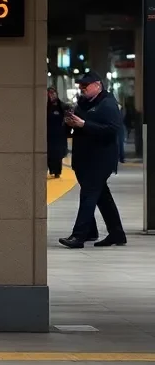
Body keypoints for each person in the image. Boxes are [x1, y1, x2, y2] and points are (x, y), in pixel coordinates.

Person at [59, 71, 127, 249]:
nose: (82, 89)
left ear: (98, 85)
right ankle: (116, 233)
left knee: (88, 195)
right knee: (102, 197)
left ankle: (79, 236)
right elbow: (79, 126)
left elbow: (112, 129)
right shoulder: (83, 103)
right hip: (84, 157)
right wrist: (70, 123)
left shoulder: (108, 104)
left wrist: (84, 124)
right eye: (80, 86)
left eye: (85, 86)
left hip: (100, 159)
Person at [46, 87, 68, 178]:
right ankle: (51, 169)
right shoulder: (46, 107)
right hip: (48, 135)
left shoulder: (62, 106)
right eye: (50, 93)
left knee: (58, 154)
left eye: (53, 93)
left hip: (59, 135)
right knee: (49, 154)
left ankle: (57, 172)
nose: (52, 95)